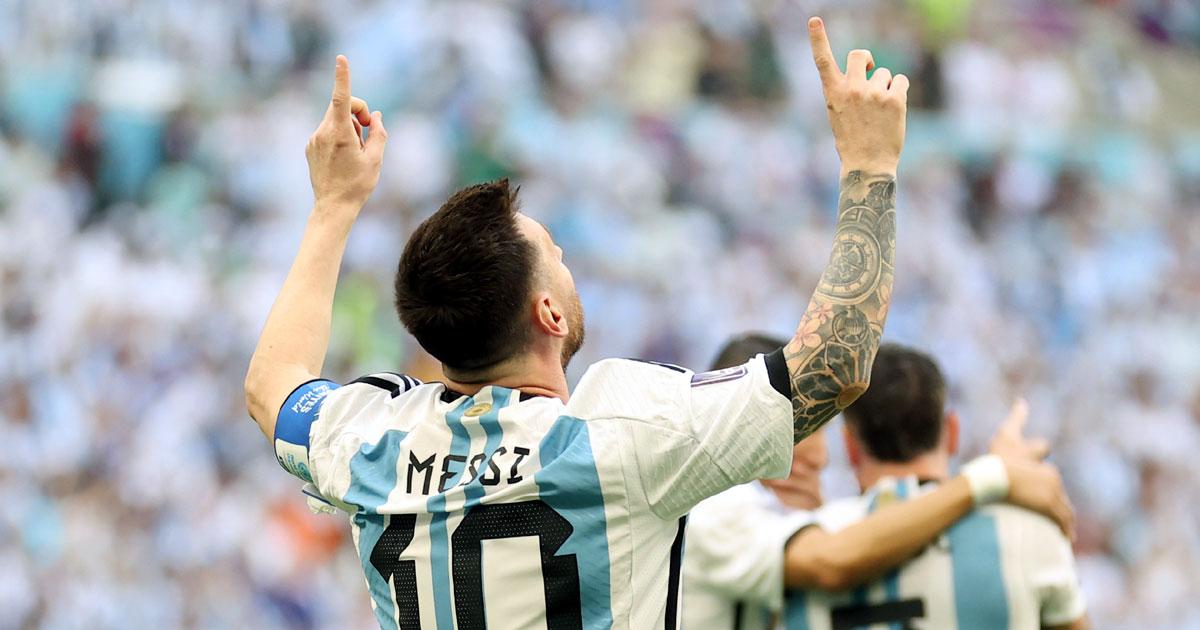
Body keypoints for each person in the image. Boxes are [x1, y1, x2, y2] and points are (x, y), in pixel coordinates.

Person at [244, 18, 906, 629]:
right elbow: (834, 364)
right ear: (550, 314)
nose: (565, 261)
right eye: (556, 255)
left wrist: (333, 206)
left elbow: (272, 386)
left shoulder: (369, 440)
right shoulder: (619, 435)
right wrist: (869, 167)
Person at [682, 334, 1074, 629]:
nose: (817, 458)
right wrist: (990, 477)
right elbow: (829, 561)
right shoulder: (714, 510)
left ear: (850, 446)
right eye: (799, 435)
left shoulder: (831, 525)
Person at [786, 343, 1088, 629]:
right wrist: (994, 475)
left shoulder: (806, 542)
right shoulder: (1027, 531)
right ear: (953, 432)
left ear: (850, 446)